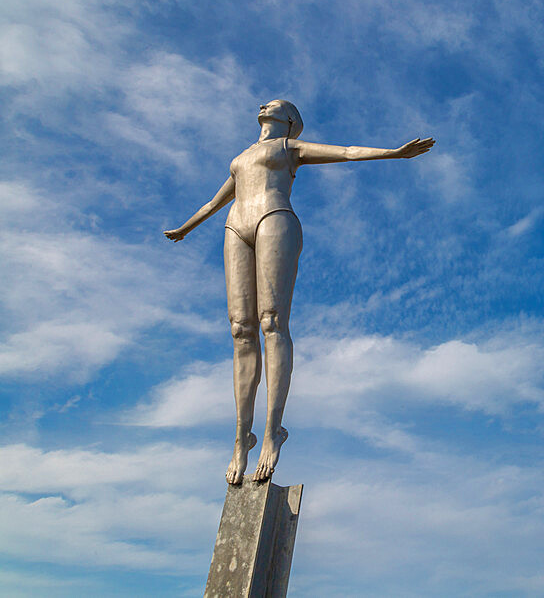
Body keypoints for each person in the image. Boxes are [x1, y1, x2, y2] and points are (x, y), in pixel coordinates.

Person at [165, 99, 433, 483]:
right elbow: (214, 201)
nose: (263, 105)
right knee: (241, 329)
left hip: (274, 218)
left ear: (289, 120)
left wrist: (393, 153)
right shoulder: (241, 158)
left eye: (273, 104)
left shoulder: (290, 148)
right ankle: (242, 439)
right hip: (235, 226)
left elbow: (346, 152)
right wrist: (184, 228)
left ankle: (273, 431)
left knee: (271, 322)